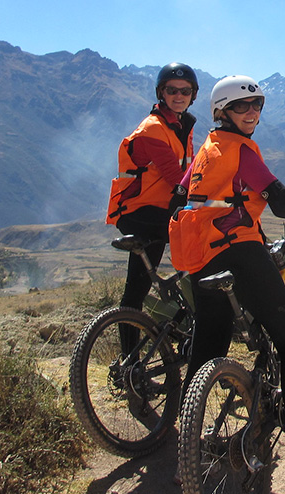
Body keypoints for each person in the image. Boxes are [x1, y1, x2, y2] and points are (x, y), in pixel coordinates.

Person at [169, 75, 285, 471]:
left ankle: (190, 447)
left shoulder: (206, 151)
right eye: (241, 106)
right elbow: (281, 200)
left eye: (257, 105)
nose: (251, 112)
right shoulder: (240, 150)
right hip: (239, 255)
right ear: (221, 112)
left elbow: (180, 197)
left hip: (201, 260)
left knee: (207, 352)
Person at [105, 62, 197, 317]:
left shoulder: (179, 127)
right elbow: (176, 179)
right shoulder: (153, 129)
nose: (178, 96)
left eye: (185, 91)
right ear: (161, 93)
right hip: (141, 213)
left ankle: (182, 318)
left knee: (139, 288)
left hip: (158, 210)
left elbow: (192, 174)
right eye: (172, 90)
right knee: (135, 291)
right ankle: (130, 357)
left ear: (193, 95)